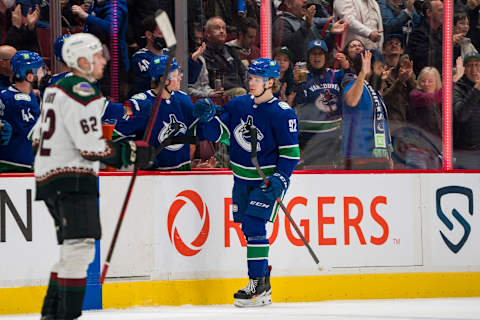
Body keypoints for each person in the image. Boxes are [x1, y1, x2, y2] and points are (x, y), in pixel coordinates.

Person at [34, 33, 155, 320]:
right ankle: (64, 316)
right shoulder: (83, 89)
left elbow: (35, 135)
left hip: (51, 178)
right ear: (83, 60)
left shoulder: (56, 86)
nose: (105, 60)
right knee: (80, 248)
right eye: (99, 56)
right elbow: (90, 147)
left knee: (70, 249)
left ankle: (51, 316)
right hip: (72, 178)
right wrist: (130, 154)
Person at [196, 58, 300, 307]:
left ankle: (257, 285)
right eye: (250, 78)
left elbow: (290, 155)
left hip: (267, 182)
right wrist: (207, 118)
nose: (250, 83)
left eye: (256, 79)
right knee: (248, 229)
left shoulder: (282, 113)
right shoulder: (239, 104)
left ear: (270, 82)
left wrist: (280, 179)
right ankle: (263, 284)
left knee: (254, 226)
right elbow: (219, 135)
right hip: (241, 180)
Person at [294, 39, 345, 169]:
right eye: (313, 54)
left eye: (320, 54)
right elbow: (300, 102)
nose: (317, 57)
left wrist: (347, 65)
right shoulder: (303, 76)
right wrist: (298, 84)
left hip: (333, 138)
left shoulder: (337, 74)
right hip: (308, 140)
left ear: (326, 56)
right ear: (308, 57)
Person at [342, 50, 393, 169]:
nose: (382, 71)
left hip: (379, 158)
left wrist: (388, 156)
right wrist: (363, 73)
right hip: (359, 158)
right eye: (379, 67)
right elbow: (351, 101)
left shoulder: (373, 91)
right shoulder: (353, 84)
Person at [0, 50, 43, 172]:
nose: (42, 74)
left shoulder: (7, 93)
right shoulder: (21, 101)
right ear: (29, 76)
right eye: (39, 71)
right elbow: (32, 133)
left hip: (13, 159)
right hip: (17, 163)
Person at [203, 16, 249, 97]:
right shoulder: (204, 53)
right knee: (240, 92)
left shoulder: (231, 50)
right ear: (208, 34)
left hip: (239, 89)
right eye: (217, 28)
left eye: (223, 28)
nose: (221, 31)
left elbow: (243, 72)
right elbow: (213, 79)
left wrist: (250, 89)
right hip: (218, 93)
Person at [453, 52, 480, 169]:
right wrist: (476, 89)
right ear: (464, 68)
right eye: (469, 65)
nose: (474, 69)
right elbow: (461, 115)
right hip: (466, 153)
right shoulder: (456, 88)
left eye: (477, 64)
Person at [406, 0, 443, 75]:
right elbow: (426, 62)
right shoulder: (417, 35)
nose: (445, 13)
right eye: (440, 10)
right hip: (426, 80)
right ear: (429, 12)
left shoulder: (443, 31)